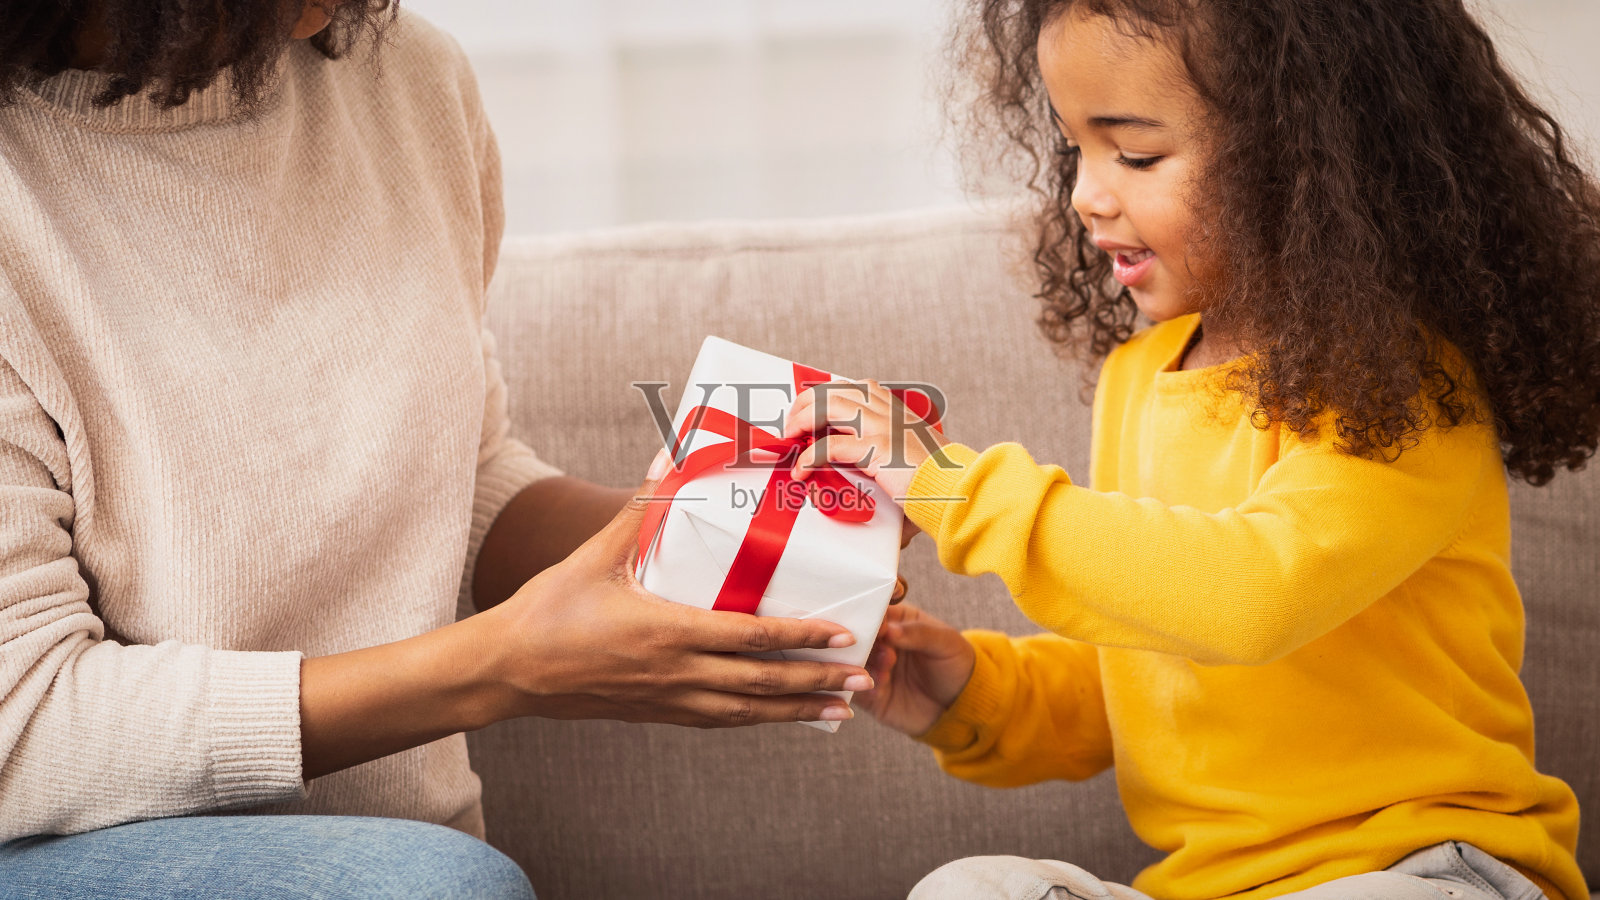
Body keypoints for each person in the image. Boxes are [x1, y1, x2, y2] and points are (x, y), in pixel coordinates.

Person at [0, 2, 880, 895]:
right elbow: (22, 726)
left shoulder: (410, 82)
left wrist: (737, 544)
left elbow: (459, 483)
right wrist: (499, 667)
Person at [784, 0, 1600, 898]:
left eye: (1134, 153)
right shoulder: (1142, 377)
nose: (1087, 195)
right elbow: (1156, 676)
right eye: (1075, 150)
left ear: (1309, 157)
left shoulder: (1401, 386)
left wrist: (951, 489)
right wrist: (969, 694)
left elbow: (1252, 593)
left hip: (1430, 868)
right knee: (972, 888)